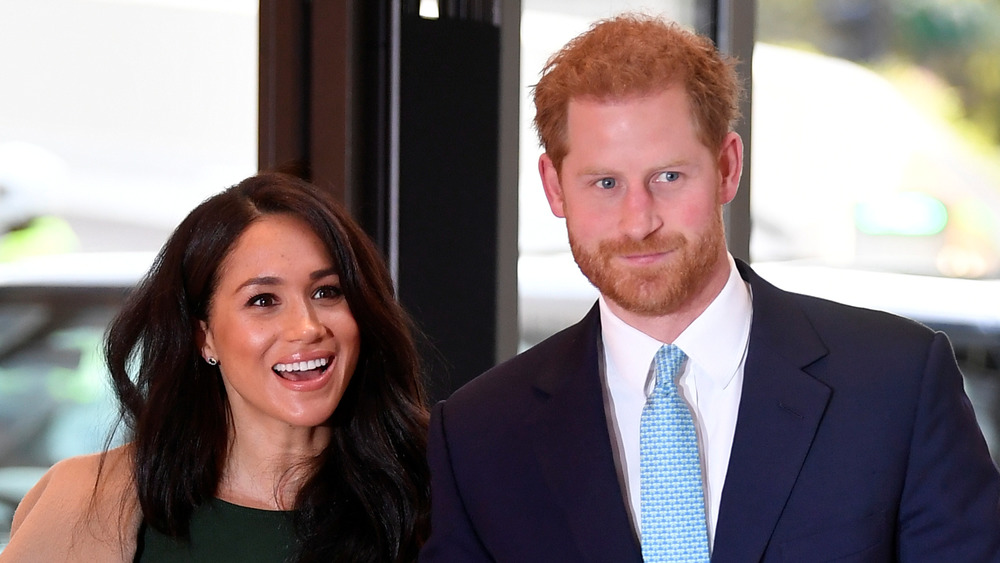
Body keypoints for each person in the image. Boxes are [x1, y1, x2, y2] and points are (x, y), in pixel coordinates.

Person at [420, 13, 1000, 562]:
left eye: (668, 177)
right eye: (604, 183)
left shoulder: (896, 383)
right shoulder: (479, 437)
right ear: (553, 187)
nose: (638, 220)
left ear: (727, 167)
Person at [3, 172, 430, 562]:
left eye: (328, 292)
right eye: (263, 300)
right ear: (203, 335)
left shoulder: (438, 491)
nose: (307, 328)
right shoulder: (83, 501)